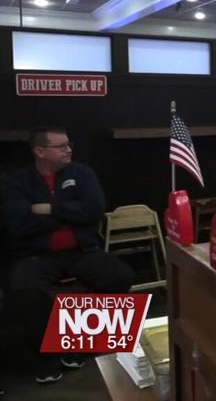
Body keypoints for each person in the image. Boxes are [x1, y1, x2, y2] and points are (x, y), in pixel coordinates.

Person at [0, 127, 135, 384]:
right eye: (60, 146)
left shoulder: (81, 173)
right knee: (25, 288)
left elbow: (94, 210)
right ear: (40, 152)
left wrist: (49, 209)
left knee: (120, 275)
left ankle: (82, 346)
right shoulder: (15, 182)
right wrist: (70, 216)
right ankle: (46, 356)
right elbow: (19, 223)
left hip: (81, 251)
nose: (69, 149)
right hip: (36, 255)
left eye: (68, 144)